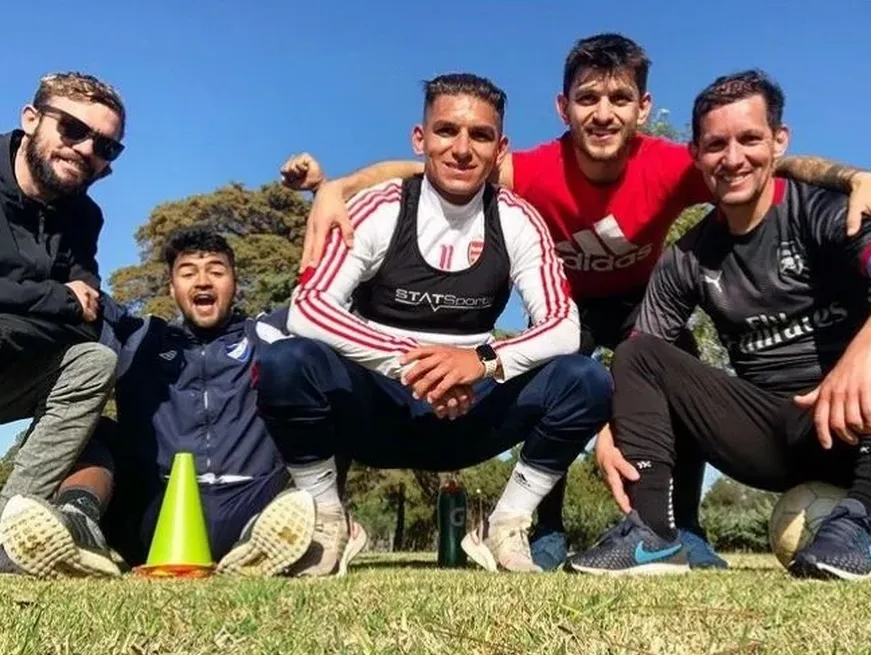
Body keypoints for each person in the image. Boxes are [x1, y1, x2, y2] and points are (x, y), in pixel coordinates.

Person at [278, 33, 871, 571]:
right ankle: (541, 529)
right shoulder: (527, 168)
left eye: (619, 98)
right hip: (568, 307)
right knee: (563, 377)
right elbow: (437, 164)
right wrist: (340, 187)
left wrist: (853, 176)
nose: (603, 112)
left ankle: (680, 525)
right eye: (588, 98)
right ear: (564, 106)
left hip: (639, 301)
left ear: (643, 107)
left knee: (675, 367)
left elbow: (764, 162)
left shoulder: (674, 164)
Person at [566, 69, 871, 581]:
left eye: (749, 139)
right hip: (771, 436)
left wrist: (865, 352)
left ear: (778, 141)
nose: (733, 158)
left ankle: (860, 521)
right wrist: (614, 426)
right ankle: (653, 534)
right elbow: (641, 361)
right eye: (715, 144)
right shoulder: (687, 257)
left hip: (858, 423)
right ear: (697, 155)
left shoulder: (823, 212)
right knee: (637, 353)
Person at [250, 72, 611, 576]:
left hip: (470, 412)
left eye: (480, 136)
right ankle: (326, 521)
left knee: (587, 379)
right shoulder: (379, 208)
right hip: (381, 404)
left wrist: (480, 363)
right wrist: (415, 366)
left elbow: (562, 326)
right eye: (446, 131)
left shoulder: (519, 219)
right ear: (420, 139)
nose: (462, 149)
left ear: (499, 148)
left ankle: (505, 525)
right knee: (286, 361)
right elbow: (309, 307)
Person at [0, 227, 366, 578]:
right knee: (93, 427)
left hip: (254, 501)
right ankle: (77, 521)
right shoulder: (138, 337)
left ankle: (302, 531)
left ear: (234, 282)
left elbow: (340, 287)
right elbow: (69, 291)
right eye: (188, 273)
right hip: (155, 516)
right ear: (173, 288)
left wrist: (326, 190)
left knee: (320, 395)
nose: (203, 281)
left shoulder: (271, 332)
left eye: (216, 271)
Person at [0, 72, 126, 563]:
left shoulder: (83, 218)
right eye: (72, 129)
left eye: (105, 147)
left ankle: (7, 535)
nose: (86, 149)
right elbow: (70, 301)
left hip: (6, 361)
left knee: (93, 360)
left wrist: (4, 324)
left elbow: (84, 316)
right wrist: (59, 297)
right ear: (31, 120)